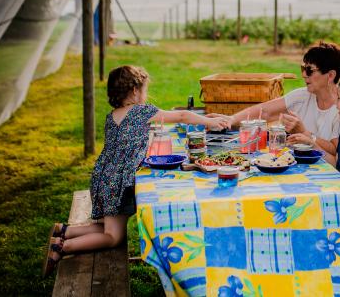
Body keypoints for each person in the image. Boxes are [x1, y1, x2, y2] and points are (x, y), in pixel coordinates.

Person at [42, 65, 230, 277]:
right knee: (113, 237)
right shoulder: (142, 112)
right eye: (144, 90)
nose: (146, 95)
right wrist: (210, 122)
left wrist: (206, 117)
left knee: (108, 226)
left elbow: (170, 117)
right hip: (117, 182)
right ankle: (61, 247)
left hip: (103, 177)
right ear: (134, 91)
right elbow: (181, 117)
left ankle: (64, 230)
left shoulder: (112, 116)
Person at [209, 41, 340, 155]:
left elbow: (335, 150)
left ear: (330, 75)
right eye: (302, 68)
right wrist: (230, 120)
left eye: (310, 70)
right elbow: (265, 111)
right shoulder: (303, 95)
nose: (304, 74)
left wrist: (305, 133)